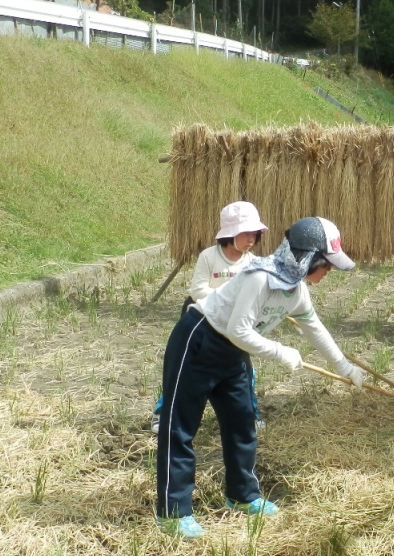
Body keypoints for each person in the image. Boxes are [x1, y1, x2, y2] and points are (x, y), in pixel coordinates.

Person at [156, 216, 365, 538]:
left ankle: (242, 495)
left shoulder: (295, 291)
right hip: (199, 341)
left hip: (234, 354)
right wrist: (281, 352)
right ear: (310, 259)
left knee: (242, 422)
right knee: (181, 427)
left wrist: (344, 368)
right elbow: (239, 329)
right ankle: (174, 512)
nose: (328, 273)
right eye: (327, 266)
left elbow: (314, 328)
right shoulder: (260, 278)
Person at [151, 201, 267, 433]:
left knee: (243, 369)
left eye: (254, 233)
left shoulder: (254, 263)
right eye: (246, 233)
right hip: (201, 322)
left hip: (233, 325)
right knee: (182, 370)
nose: (251, 239)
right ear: (230, 233)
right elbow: (197, 290)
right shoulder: (209, 257)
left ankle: (249, 415)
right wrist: (229, 298)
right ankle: (164, 415)